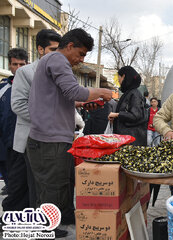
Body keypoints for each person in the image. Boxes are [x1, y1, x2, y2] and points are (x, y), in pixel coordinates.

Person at [26, 28, 113, 237]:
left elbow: (64, 98)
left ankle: (62, 217)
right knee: (52, 187)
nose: (81, 60)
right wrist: (101, 91)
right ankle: (46, 227)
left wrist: (84, 102)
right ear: (70, 46)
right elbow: (74, 91)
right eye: (81, 54)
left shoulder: (52, 61)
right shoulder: (57, 60)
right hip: (49, 140)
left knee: (62, 183)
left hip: (54, 138)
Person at [11, 29, 61, 210]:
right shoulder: (25, 72)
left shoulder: (58, 72)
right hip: (32, 139)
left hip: (54, 139)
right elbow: (18, 105)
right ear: (40, 49)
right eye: (53, 50)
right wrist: (48, 121)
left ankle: (49, 222)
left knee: (50, 185)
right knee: (37, 186)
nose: (57, 55)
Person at [0, 48, 28, 212]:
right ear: (9, 65)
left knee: (24, 185)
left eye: (21, 64)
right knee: (13, 184)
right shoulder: (2, 88)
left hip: (29, 143)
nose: (18, 68)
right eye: (15, 64)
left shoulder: (34, 87)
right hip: (7, 145)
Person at [108, 66, 148, 146]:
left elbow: (135, 115)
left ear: (124, 77)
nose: (119, 81)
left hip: (132, 142)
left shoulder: (134, 94)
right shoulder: (129, 93)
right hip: (127, 140)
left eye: (119, 78)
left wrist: (117, 115)